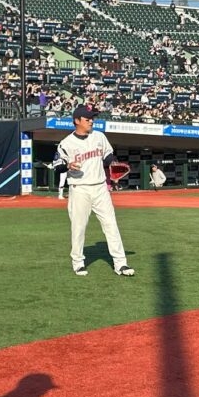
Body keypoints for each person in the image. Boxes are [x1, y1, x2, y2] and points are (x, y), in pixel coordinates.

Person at [53, 103, 135, 276]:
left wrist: (112, 162)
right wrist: (68, 165)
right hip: (79, 189)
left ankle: (121, 264)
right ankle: (78, 262)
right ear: (77, 121)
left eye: (92, 118)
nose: (91, 121)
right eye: (87, 119)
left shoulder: (99, 137)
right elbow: (57, 165)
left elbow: (107, 155)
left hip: (100, 188)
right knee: (79, 227)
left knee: (111, 225)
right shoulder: (66, 143)